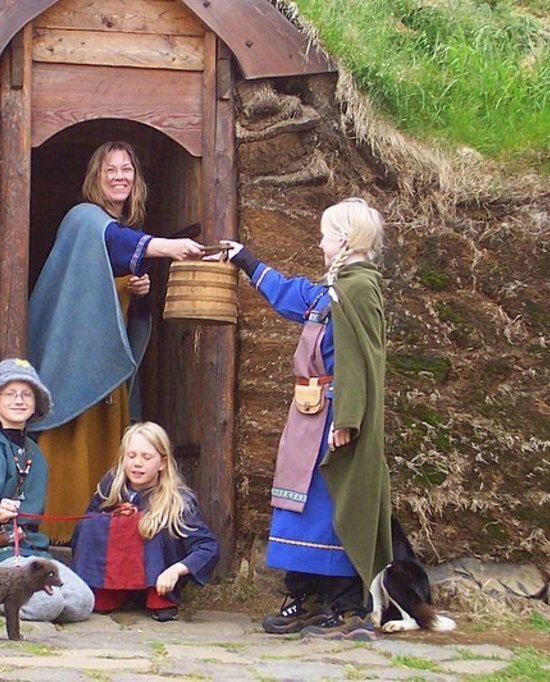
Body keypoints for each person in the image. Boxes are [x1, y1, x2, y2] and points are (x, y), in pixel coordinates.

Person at [221, 198, 392, 638]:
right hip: (309, 416)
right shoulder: (335, 290)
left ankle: (346, 605)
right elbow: (292, 296)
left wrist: (348, 417)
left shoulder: (359, 288)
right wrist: (246, 259)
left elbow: (361, 359)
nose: (319, 243)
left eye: (324, 234)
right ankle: (306, 596)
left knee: (327, 507)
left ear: (344, 240)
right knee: (295, 503)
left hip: (335, 418)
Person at [27, 141, 205, 540]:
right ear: (96, 176)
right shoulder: (84, 219)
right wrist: (167, 248)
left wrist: (136, 292)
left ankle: (96, 536)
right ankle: (57, 533)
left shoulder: (127, 232)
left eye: (127, 169)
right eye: (110, 169)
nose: (119, 177)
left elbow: (123, 301)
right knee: (71, 445)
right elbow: (112, 245)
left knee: (108, 449)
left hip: (109, 361)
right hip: (77, 360)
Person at [0, 358, 94, 623]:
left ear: (36, 405)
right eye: (10, 393)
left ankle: (21, 596)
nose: (19, 400)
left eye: (27, 395)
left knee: (82, 602)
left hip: (30, 553)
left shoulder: (35, 454)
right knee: (46, 606)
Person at [71, 421, 219, 622]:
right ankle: (107, 588)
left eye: (146, 457)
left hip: (158, 577)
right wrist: (113, 517)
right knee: (91, 522)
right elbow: (85, 529)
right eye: (131, 456)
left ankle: (159, 596)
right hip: (115, 572)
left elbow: (207, 546)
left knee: (155, 523)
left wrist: (175, 571)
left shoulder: (178, 500)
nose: (137, 463)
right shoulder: (112, 486)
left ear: (162, 463)